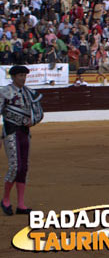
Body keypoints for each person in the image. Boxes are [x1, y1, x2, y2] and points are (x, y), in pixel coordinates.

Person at [0, 66, 44, 215]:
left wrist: (33, 121)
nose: (23, 78)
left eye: (24, 75)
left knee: (24, 167)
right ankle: (5, 199)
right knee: (15, 166)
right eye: (20, 75)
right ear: (13, 77)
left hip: (25, 132)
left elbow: (39, 112)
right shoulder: (4, 92)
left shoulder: (29, 92)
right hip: (10, 132)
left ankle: (21, 204)